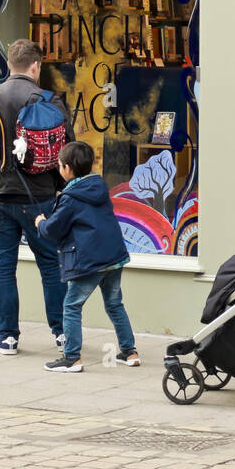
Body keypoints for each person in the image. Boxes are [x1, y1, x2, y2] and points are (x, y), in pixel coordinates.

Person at [0, 38, 74, 356]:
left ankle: (7, 337)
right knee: (50, 265)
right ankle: (61, 333)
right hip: (39, 196)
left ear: (9, 65)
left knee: (3, 265)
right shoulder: (47, 99)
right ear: (35, 66)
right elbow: (68, 148)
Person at [34, 141, 138, 373]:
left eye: (60, 165)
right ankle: (129, 352)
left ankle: (71, 358)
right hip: (114, 256)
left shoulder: (71, 197)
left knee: (71, 305)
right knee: (114, 304)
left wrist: (40, 223)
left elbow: (52, 230)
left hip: (91, 261)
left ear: (68, 169)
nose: (59, 169)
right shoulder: (99, 187)